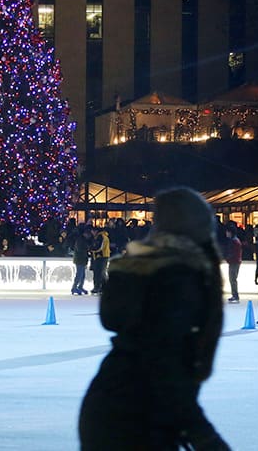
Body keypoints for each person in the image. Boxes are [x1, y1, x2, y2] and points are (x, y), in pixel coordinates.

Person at [78, 187, 230, 450]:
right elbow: (163, 366)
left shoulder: (143, 268)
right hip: (137, 418)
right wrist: (205, 438)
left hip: (108, 406)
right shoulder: (178, 277)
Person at [225, 223, 243, 303]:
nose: (226, 233)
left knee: (232, 279)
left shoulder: (234, 241)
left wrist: (227, 258)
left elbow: (233, 253)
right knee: (232, 279)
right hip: (234, 262)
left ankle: (235, 295)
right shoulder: (235, 240)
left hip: (234, 262)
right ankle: (234, 295)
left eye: (227, 232)